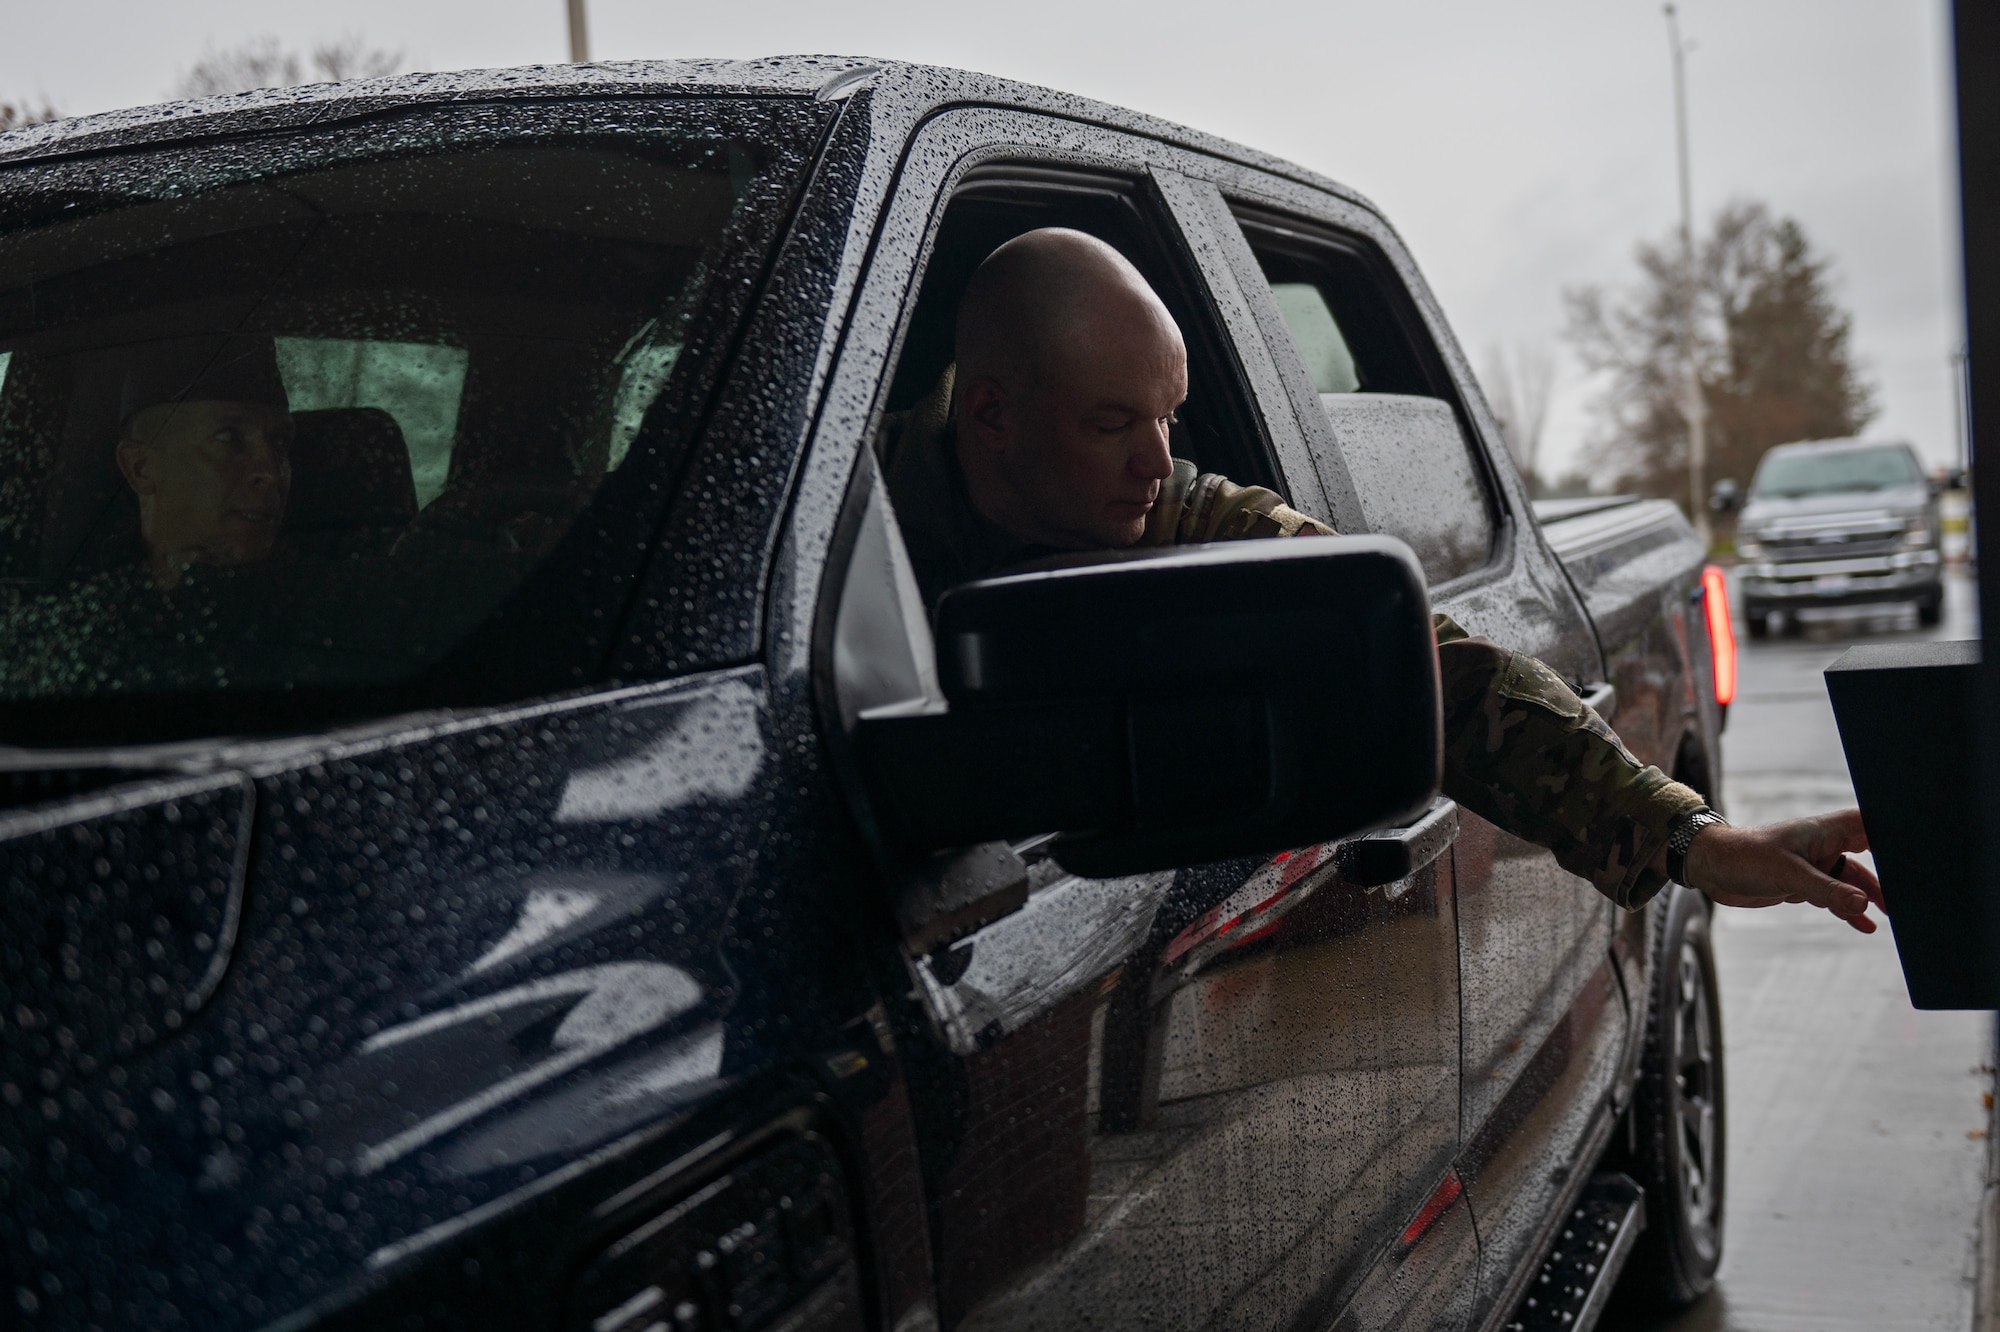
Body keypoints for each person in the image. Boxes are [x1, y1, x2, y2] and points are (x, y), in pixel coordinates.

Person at [877, 227, 1885, 931]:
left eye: (1167, 419)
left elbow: (1432, 670)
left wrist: (1693, 842)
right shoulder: (842, 538)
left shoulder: (1186, 515)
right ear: (991, 416)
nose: (1154, 463)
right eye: (1109, 425)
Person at [111, 334, 294, 590]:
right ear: (140, 467)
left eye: (281, 442)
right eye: (228, 437)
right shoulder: (84, 608)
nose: (272, 472)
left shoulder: (326, 602)